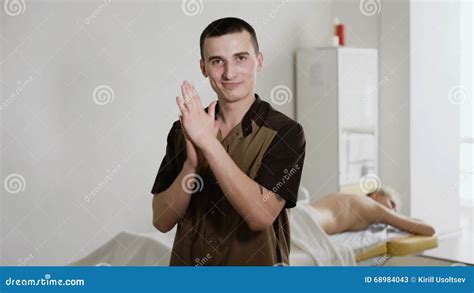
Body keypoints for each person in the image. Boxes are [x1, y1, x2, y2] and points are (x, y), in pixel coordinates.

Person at [150, 17, 306, 266]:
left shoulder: (285, 132)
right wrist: (191, 166)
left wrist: (209, 145)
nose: (229, 73)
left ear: (259, 61)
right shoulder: (184, 129)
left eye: (240, 58)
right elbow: (161, 220)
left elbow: (261, 216)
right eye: (217, 61)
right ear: (203, 68)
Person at [309, 187, 436, 236]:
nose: (392, 211)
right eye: (392, 204)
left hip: (299, 213)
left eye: (395, 210)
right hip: (306, 223)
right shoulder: (371, 206)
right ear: (376, 196)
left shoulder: (344, 196)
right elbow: (429, 230)